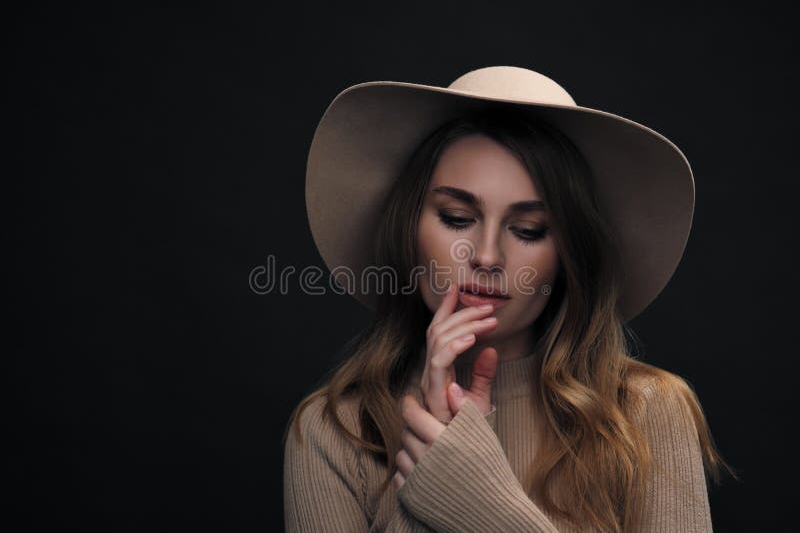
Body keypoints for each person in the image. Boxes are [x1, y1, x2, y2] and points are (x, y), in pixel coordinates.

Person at [284, 66, 736, 532]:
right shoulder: (335, 432)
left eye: (527, 230)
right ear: (410, 230)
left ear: (566, 254)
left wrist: (484, 507)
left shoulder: (646, 413)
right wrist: (432, 472)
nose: (486, 256)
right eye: (458, 218)